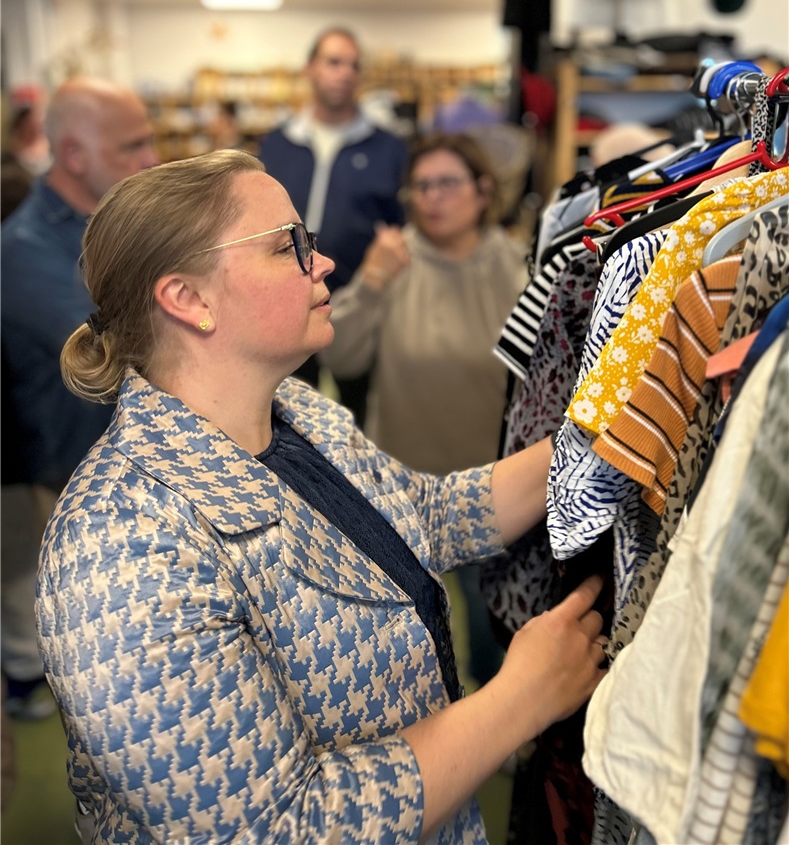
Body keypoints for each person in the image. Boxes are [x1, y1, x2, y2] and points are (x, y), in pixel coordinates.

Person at [37, 149, 607, 843]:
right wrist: (519, 699)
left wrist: (600, 433)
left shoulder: (297, 413)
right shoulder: (119, 547)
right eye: (288, 246)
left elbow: (421, 517)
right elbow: (273, 829)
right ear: (188, 299)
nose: (324, 261)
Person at [322, 132, 528, 685]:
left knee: (489, 624)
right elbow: (340, 357)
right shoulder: (395, 260)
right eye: (421, 186)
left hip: (490, 485)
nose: (432, 197)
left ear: (483, 191)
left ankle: (489, 709)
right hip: (400, 487)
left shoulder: (517, 265)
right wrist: (371, 280)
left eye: (447, 184)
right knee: (409, 633)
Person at [1, 77, 157, 718]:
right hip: (75, 481)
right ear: (73, 154)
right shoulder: (26, 250)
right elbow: (118, 352)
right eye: (131, 147)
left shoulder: (119, 224)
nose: (151, 158)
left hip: (139, 466)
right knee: (105, 665)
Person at [259, 27, 408, 425]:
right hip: (284, 304)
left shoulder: (388, 149)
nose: (345, 73)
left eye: (354, 65)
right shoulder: (278, 144)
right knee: (285, 413)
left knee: (357, 415)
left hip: (360, 305)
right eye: (334, 62)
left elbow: (400, 227)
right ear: (310, 68)